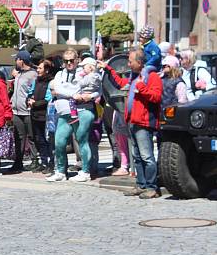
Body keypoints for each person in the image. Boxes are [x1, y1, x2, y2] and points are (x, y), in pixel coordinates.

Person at [98, 48, 163, 199]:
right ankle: (141, 185)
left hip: (143, 122)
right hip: (133, 121)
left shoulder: (152, 77)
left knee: (146, 156)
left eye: (130, 61)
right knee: (137, 156)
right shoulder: (135, 77)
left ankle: (152, 187)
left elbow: (156, 97)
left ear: (139, 63)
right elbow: (121, 83)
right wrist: (108, 69)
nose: (128, 64)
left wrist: (141, 88)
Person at [47, 48, 97, 183]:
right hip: (65, 112)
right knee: (59, 142)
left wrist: (88, 95)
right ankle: (61, 171)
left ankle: (86, 171)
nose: (69, 63)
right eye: (65, 61)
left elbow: (96, 89)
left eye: (71, 60)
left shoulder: (84, 72)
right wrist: (73, 93)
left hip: (82, 111)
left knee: (82, 141)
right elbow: (57, 89)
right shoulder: (59, 74)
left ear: (77, 60)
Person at [10, 50, 39, 172]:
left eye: (16, 59)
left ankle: (35, 161)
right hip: (16, 110)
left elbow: (34, 90)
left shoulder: (33, 74)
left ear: (22, 60)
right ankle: (18, 161)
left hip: (27, 110)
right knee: (18, 137)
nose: (15, 61)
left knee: (32, 136)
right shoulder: (19, 73)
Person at [27, 60, 54, 172]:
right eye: (37, 68)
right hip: (35, 115)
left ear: (46, 70)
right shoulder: (36, 81)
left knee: (47, 140)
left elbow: (48, 99)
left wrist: (35, 103)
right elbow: (30, 92)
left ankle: (50, 163)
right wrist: (28, 100)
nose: (37, 70)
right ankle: (43, 162)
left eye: (40, 68)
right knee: (38, 139)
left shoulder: (50, 82)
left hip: (45, 115)